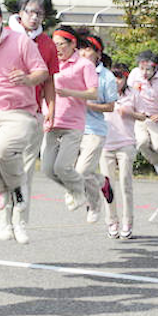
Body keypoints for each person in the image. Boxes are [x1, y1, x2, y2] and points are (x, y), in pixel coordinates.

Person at [0, 0, 48, 242]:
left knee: (2, 151)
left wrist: (27, 78)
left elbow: (42, 72)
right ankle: (4, 192)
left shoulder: (20, 41)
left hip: (19, 111)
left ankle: (18, 198)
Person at [6, 0, 58, 244]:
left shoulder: (47, 44)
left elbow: (49, 81)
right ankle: (3, 215)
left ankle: (20, 221)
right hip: (0, 112)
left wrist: (50, 109)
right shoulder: (3, 36)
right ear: (20, 12)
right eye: (30, 12)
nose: (35, 17)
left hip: (32, 113)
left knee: (26, 171)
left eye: (40, 13)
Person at [42, 26, 98, 212]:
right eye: (53, 44)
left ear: (73, 44)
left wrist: (68, 92)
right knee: (48, 169)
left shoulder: (84, 65)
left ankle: (80, 191)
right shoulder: (50, 63)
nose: (56, 48)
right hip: (51, 122)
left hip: (72, 124)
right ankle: (81, 188)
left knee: (62, 167)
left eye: (60, 44)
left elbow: (93, 93)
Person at [74, 31, 118, 223]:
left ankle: (93, 205)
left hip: (94, 130)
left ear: (98, 54)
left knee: (82, 171)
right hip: (72, 127)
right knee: (68, 169)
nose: (83, 53)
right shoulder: (72, 70)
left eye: (88, 50)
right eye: (81, 49)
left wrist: (88, 104)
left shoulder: (106, 77)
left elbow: (110, 106)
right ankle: (102, 182)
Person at [100, 63, 146, 239]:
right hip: (105, 145)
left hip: (126, 143)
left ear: (126, 78)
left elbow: (143, 116)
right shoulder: (102, 92)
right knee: (107, 186)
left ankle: (128, 221)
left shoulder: (133, 94)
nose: (116, 81)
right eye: (113, 77)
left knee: (125, 183)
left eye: (119, 77)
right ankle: (112, 221)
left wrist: (129, 113)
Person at [127, 50, 158, 175]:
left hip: (155, 118)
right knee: (141, 142)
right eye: (141, 68)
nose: (144, 72)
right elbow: (127, 92)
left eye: (148, 69)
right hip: (139, 116)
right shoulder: (134, 74)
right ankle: (156, 162)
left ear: (155, 68)